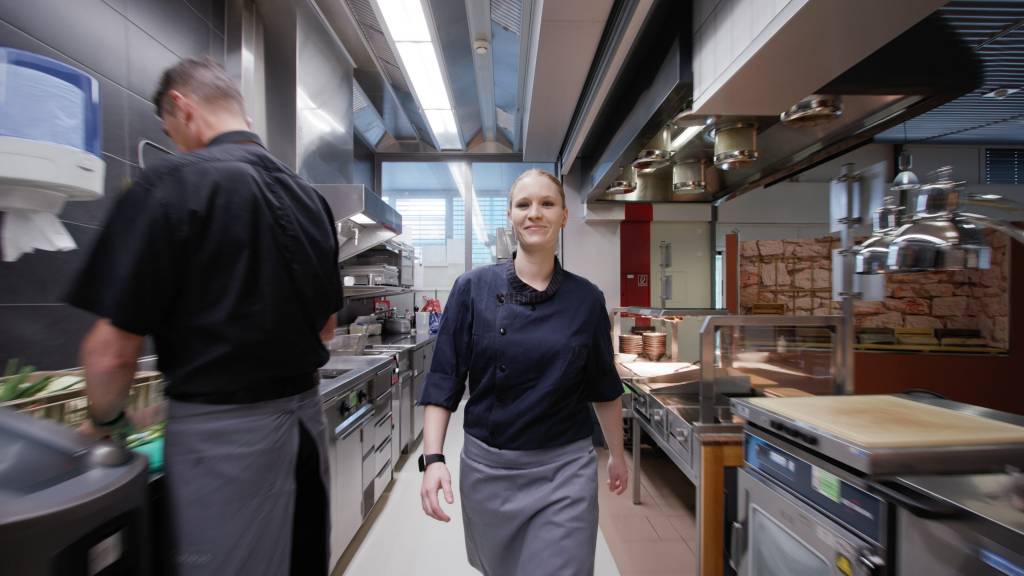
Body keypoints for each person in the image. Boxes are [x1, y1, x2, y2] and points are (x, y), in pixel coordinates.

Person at [68, 58, 342, 575]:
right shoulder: (310, 199)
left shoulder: (171, 182)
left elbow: (109, 356)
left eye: (170, 131)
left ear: (181, 107)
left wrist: (104, 422)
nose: (175, 144)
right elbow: (326, 329)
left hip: (224, 445)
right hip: (304, 429)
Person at [418, 169, 628, 576]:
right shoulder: (472, 288)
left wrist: (617, 455)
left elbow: (603, 386)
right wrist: (433, 459)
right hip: (489, 470)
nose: (535, 213)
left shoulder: (586, 299)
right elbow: (444, 378)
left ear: (564, 216)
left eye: (547, 204)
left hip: (566, 470)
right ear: (510, 216)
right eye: (524, 204)